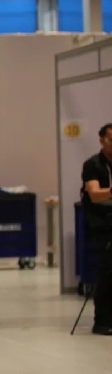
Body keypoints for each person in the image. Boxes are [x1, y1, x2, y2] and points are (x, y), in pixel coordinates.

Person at [81, 123, 112, 336]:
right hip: (102, 223)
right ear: (102, 141)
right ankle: (102, 321)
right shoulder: (92, 165)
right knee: (108, 271)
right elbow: (94, 194)